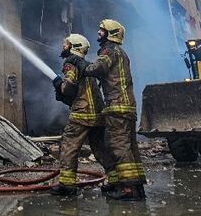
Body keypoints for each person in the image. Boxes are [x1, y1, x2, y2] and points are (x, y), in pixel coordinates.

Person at [78, 19, 146, 201]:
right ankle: (134, 186)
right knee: (129, 146)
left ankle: (128, 190)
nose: (99, 33)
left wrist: (80, 64)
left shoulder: (109, 50)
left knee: (117, 145)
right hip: (127, 107)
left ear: (111, 33)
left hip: (117, 107)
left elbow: (96, 68)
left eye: (102, 30)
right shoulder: (121, 52)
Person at [50, 34, 116, 196]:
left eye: (65, 44)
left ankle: (67, 185)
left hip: (81, 114)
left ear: (74, 46)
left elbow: (69, 88)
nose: (63, 46)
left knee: (68, 146)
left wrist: (60, 85)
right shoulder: (87, 65)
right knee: (101, 149)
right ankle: (117, 180)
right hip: (98, 114)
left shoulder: (70, 64)